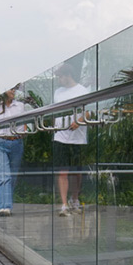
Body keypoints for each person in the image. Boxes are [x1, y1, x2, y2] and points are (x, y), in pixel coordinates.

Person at [51, 62, 90, 215]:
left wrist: (78, 122)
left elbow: (88, 112)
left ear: (68, 76)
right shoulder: (58, 92)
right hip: (60, 136)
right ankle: (63, 204)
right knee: (62, 171)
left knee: (76, 172)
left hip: (77, 138)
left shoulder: (82, 90)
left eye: (61, 77)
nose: (59, 80)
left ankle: (75, 199)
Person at [0, 86, 28, 216]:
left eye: (15, 89)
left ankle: (6, 203)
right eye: (11, 88)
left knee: (12, 176)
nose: (13, 91)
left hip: (17, 142)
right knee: (3, 175)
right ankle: (4, 207)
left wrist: (24, 131)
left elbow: (25, 122)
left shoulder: (20, 106)